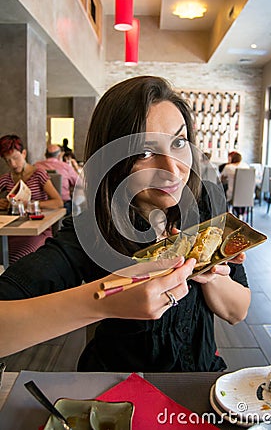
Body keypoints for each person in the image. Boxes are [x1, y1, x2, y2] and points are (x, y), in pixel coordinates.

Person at [0, 77, 250, 372]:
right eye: (144, 153)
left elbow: (237, 311)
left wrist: (207, 271)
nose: (172, 170)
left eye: (178, 143)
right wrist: (105, 300)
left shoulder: (205, 204)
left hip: (201, 380)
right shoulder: (92, 232)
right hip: (118, 392)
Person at [0, 135, 63, 264]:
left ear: (24, 153)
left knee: (18, 258)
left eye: (16, 158)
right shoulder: (7, 178)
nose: (13, 164)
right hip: (13, 231)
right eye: (8, 161)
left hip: (38, 231)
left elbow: (58, 202)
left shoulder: (38, 174)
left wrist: (30, 204)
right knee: (5, 255)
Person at [35, 144, 79, 215]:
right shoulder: (66, 167)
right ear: (60, 155)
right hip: (64, 205)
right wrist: (76, 168)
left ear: (45, 155)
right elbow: (79, 183)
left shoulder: (36, 166)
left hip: (41, 206)